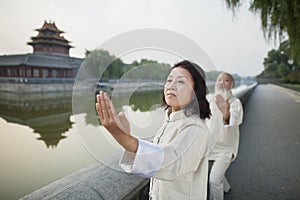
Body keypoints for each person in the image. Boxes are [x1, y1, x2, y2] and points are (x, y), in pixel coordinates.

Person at [96, 60, 211, 200]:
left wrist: (123, 138)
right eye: (169, 80)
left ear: (196, 91)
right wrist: (128, 136)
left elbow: (172, 162)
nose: (171, 86)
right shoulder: (171, 120)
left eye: (180, 82)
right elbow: (156, 153)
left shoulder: (196, 128)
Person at [207, 72, 243, 200]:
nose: (222, 82)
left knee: (214, 181)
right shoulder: (210, 99)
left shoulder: (235, 102)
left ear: (232, 85)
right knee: (214, 172)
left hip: (225, 149)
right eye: (219, 80)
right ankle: (227, 187)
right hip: (210, 146)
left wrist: (225, 112)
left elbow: (232, 121)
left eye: (226, 80)